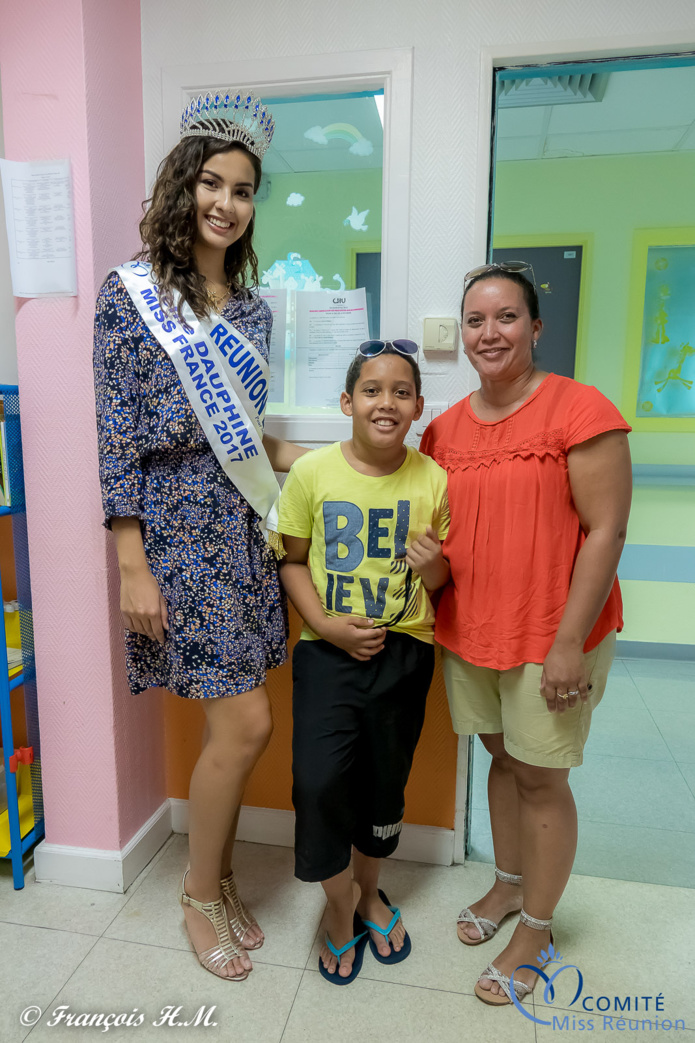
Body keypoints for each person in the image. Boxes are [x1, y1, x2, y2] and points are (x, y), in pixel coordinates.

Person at [93, 91, 307, 982]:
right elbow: (117, 436)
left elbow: (245, 428)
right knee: (245, 722)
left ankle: (215, 879)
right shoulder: (130, 296)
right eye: (211, 183)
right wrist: (130, 564)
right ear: (182, 188)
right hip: (176, 535)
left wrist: (306, 455)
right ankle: (196, 892)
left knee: (246, 715)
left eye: (244, 189)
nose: (226, 202)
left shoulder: (254, 311)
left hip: (243, 527)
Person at [420, 262, 632, 1007]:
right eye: (475, 320)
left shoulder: (579, 410)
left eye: (506, 317)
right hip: (471, 629)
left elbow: (605, 529)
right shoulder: (443, 428)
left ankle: (537, 927)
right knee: (502, 758)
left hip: (553, 632)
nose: (489, 332)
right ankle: (509, 885)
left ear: (535, 328)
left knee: (542, 776)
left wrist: (570, 640)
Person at [278, 341, 450, 984]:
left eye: (401, 392)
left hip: (404, 655)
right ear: (348, 403)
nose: (387, 402)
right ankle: (338, 904)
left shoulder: (435, 479)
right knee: (319, 785)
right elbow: (291, 560)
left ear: (417, 408)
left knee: (384, 784)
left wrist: (436, 569)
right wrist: (324, 624)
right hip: (326, 652)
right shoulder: (313, 474)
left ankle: (371, 891)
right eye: (372, 390)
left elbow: (444, 578)